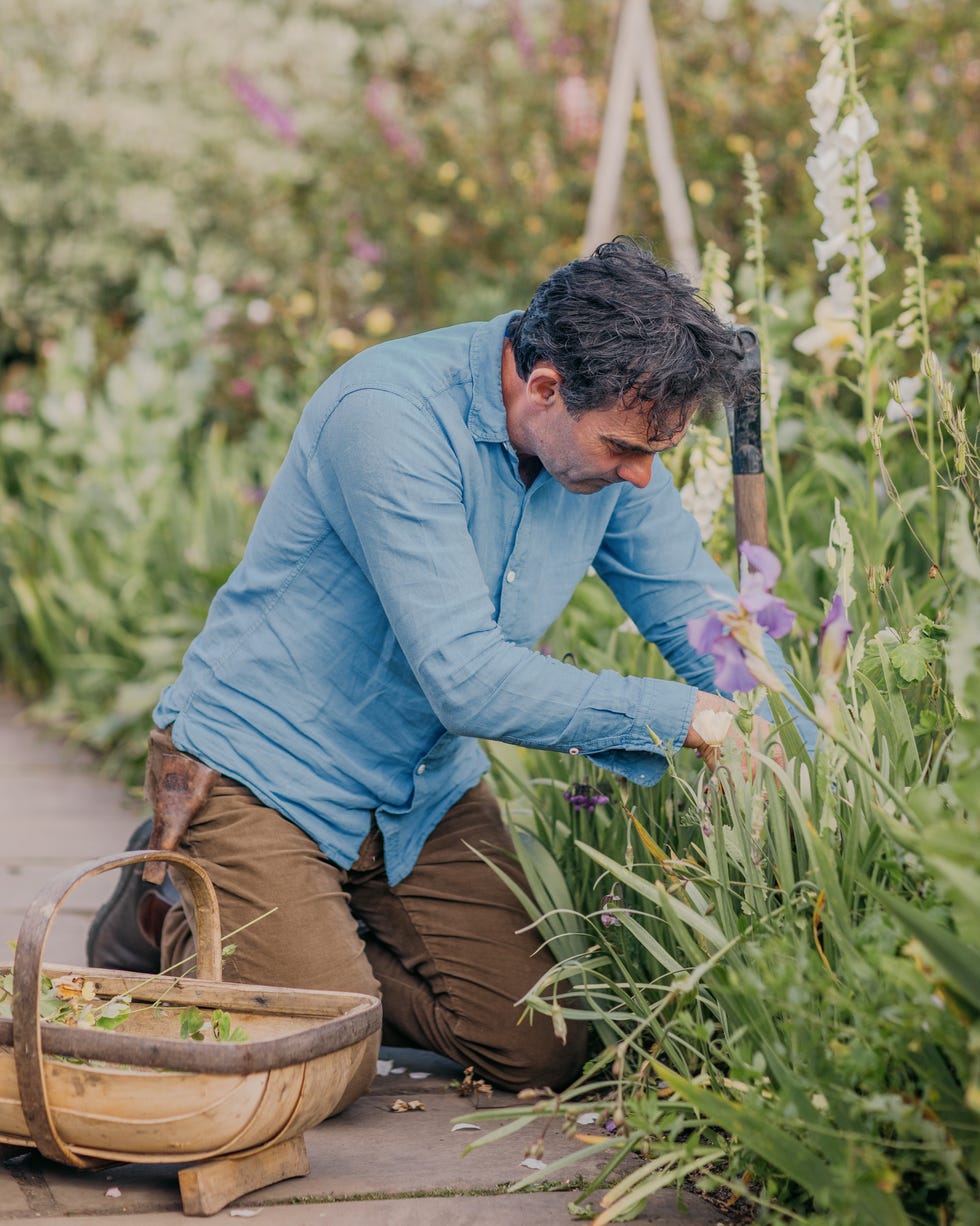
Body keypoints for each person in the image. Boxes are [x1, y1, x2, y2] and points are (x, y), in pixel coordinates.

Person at [88, 237, 812, 1111]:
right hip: (262, 772)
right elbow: (465, 678)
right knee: (316, 1069)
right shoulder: (387, 414)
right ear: (544, 388)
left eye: (656, 451)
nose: (640, 475)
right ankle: (169, 903)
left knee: (540, 1044)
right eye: (624, 447)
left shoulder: (610, 448)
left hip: (416, 788)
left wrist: (812, 763)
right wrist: (689, 718)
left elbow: (704, 625)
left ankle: (302, 946)